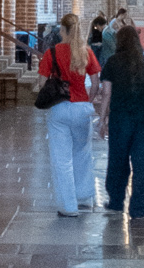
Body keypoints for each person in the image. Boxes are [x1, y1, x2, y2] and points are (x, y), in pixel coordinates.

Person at [38, 11, 100, 214]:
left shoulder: (52, 53)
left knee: (61, 158)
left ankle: (68, 206)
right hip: (82, 107)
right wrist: (87, 101)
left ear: (62, 30)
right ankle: (83, 197)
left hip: (59, 108)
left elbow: (41, 81)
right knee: (82, 154)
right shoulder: (86, 52)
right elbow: (96, 82)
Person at [101, 20, 144, 219]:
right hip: (142, 118)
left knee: (117, 160)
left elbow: (106, 93)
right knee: (142, 163)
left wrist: (102, 119)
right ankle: (140, 209)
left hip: (120, 118)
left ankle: (116, 202)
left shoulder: (113, 61)